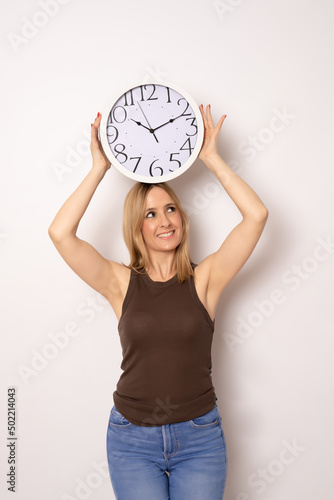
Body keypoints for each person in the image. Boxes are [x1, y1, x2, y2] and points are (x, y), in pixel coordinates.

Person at [48, 105, 268, 500]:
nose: (165, 221)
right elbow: (61, 233)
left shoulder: (205, 279)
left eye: (171, 210)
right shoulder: (119, 282)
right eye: (151, 214)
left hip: (200, 439)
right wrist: (99, 168)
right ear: (138, 227)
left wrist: (212, 159)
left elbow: (256, 216)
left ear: (182, 218)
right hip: (131, 440)